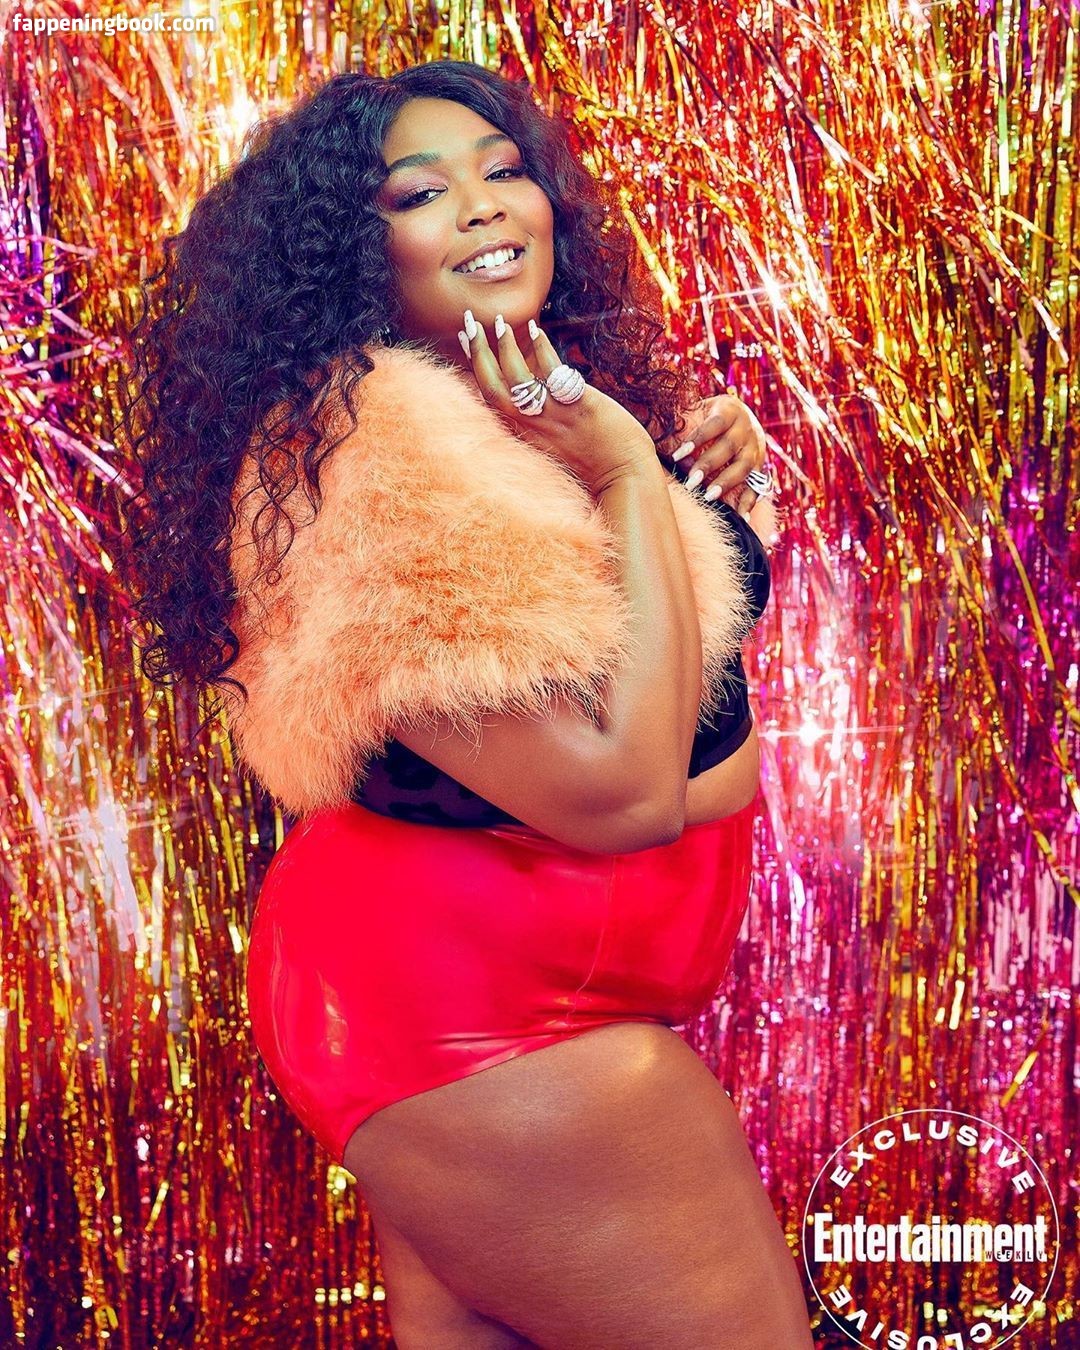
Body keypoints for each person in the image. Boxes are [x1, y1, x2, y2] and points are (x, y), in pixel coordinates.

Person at [116, 59, 812, 1350]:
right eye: (421, 193)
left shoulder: (504, 404)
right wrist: (629, 478)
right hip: (476, 1014)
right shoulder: (371, 461)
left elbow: (648, 650)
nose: (486, 205)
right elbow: (625, 795)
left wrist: (690, 489)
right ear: (347, 253)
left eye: (504, 172)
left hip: (506, 997)